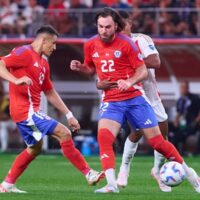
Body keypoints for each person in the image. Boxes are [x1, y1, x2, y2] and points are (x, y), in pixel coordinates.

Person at [70, 7, 200, 194]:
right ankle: (112, 184)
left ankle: (191, 175)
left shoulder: (128, 43)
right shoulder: (90, 44)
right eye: (100, 26)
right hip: (112, 101)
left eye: (107, 27)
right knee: (104, 138)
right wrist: (81, 67)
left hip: (135, 99)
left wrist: (129, 81)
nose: (103, 31)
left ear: (116, 26)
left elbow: (143, 70)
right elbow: (91, 69)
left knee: (158, 143)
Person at [0, 25, 104, 193]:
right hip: (25, 110)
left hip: (31, 111)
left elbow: (49, 92)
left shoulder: (43, 63)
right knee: (64, 133)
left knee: (35, 148)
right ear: (43, 40)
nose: (54, 47)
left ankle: (6, 185)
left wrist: (69, 114)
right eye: (53, 43)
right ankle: (89, 173)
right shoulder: (24, 52)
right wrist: (15, 80)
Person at [96, 10, 170, 192]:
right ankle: (124, 168)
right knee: (136, 131)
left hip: (151, 94)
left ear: (131, 24)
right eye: (119, 26)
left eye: (125, 24)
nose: (122, 29)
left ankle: (157, 171)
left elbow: (155, 61)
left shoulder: (141, 39)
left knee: (163, 134)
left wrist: (130, 63)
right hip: (129, 95)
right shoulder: (111, 43)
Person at [173, 81, 200, 155]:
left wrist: (196, 121)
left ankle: (195, 152)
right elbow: (179, 112)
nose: (181, 89)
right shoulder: (180, 100)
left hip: (193, 124)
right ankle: (177, 152)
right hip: (183, 124)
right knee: (174, 134)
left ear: (187, 88)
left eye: (183, 87)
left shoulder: (194, 98)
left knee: (182, 133)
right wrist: (176, 120)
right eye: (181, 87)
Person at [0, 79, 16, 152]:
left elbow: (6, 116)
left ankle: (4, 148)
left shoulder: (7, 100)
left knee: (2, 124)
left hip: (14, 122)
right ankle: (4, 148)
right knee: (2, 125)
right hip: (4, 122)